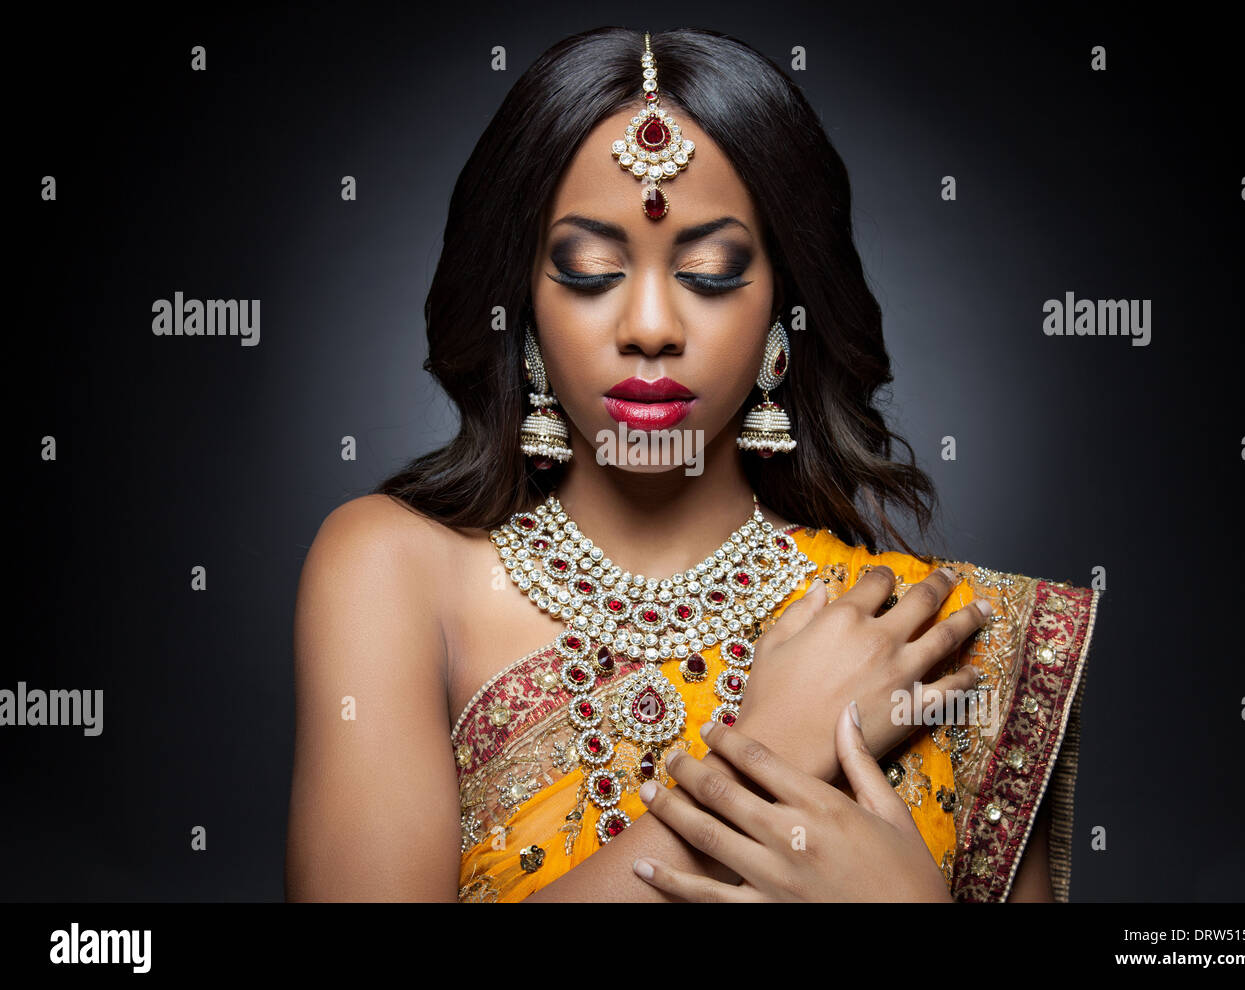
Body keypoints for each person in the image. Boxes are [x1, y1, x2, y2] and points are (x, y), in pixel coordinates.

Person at [284, 27, 1099, 903]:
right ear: (520, 310)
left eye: (710, 272)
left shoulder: (926, 639)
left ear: (782, 319)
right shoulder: (394, 569)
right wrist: (768, 750)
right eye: (590, 269)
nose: (649, 325)